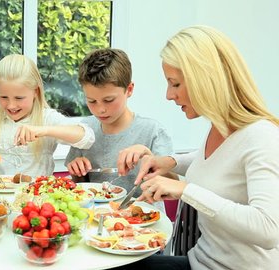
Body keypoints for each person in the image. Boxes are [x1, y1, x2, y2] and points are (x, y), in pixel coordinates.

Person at [118, 25, 279, 270]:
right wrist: (168, 161)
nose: (168, 95)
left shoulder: (262, 136)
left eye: (175, 84)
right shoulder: (221, 127)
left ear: (205, 79)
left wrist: (185, 190)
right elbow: (218, 162)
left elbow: (269, 229)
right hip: (201, 261)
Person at [0, 54, 95, 177]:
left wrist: (43, 131)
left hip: (36, 200)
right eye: (3, 97)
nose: (11, 105)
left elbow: (87, 138)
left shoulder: (47, 117)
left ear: (36, 92)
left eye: (19, 98)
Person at [65, 48, 174, 205]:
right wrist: (77, 173)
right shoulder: (85, 130)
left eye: (109, 100)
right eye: (91, 101)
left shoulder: (153, 131)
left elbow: (172, 184)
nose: (100, 109)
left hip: (143, 223)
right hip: (97, 221)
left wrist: (150, 158)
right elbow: (81, 188)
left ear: (129, 90)